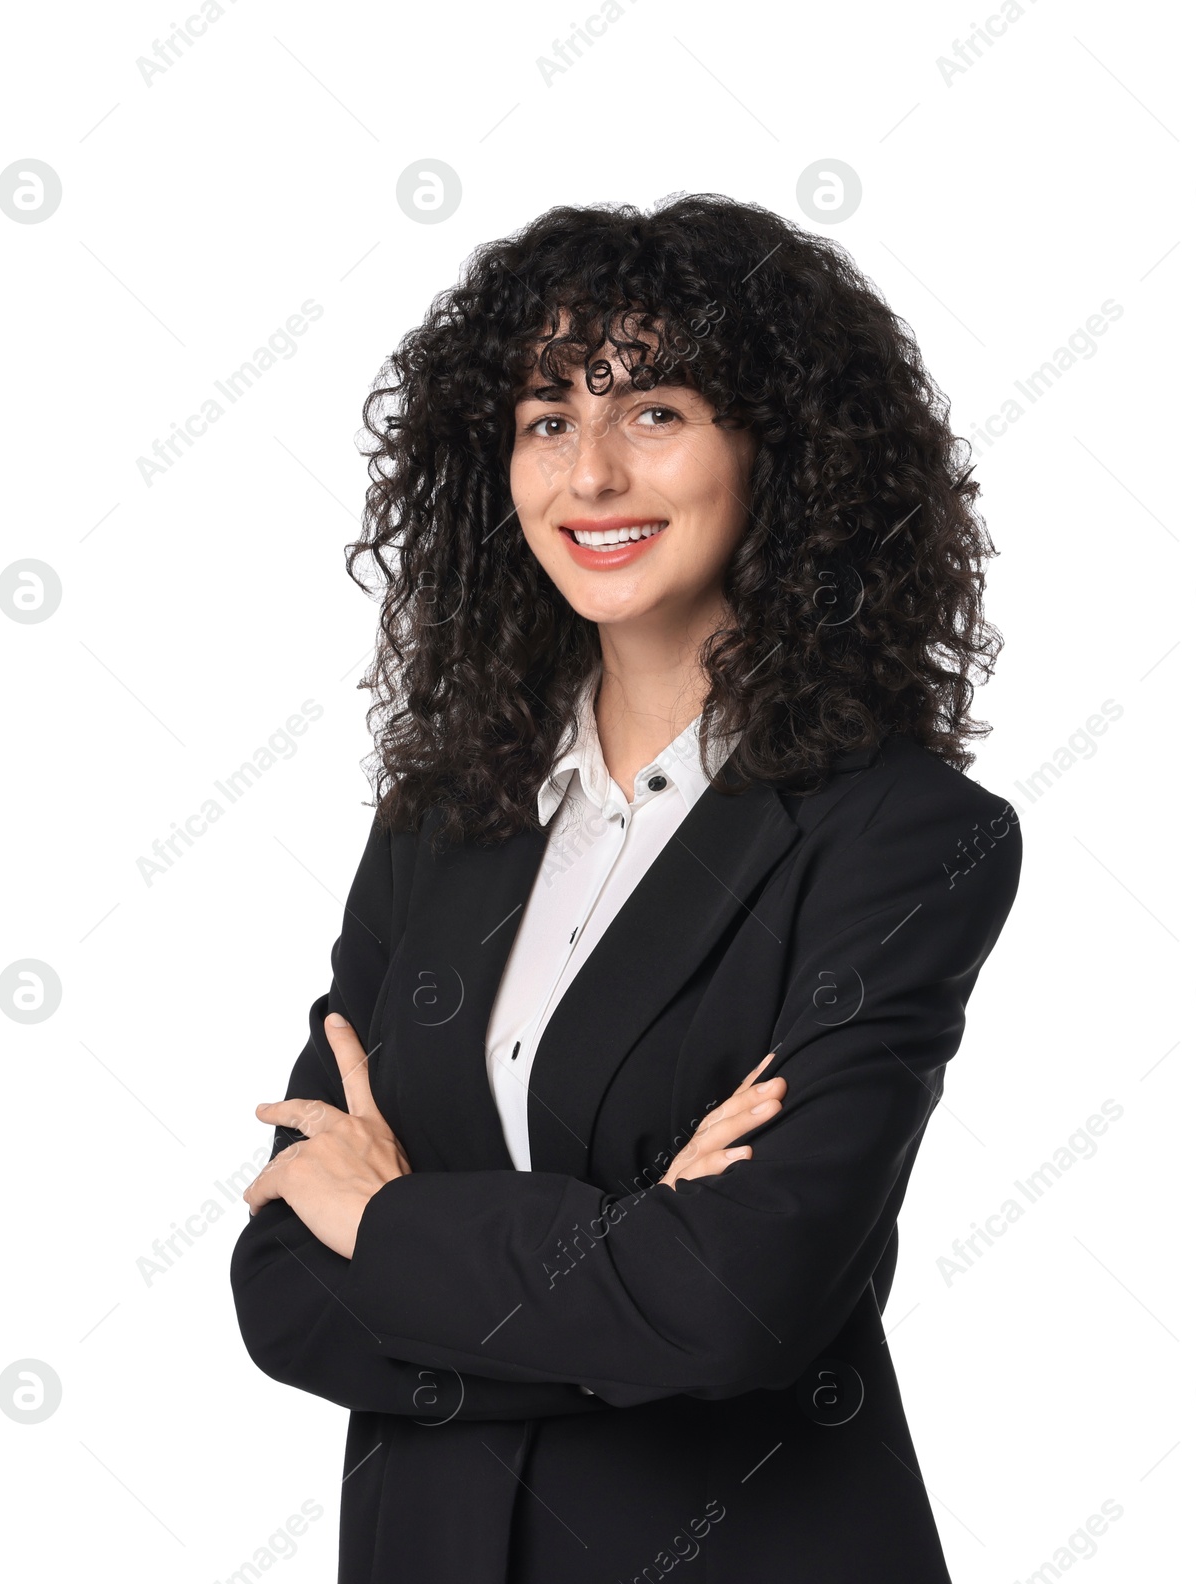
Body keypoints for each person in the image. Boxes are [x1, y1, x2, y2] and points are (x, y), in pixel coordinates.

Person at [229, 193, 1022, 1583]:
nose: (589, 473)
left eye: (652, 411)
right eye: (546, 419)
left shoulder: (899, 835)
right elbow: (285, 1284)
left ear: (774, 449)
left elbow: (745, 1302)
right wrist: (630, 1252)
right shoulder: (447, 819)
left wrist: (395, 1228)